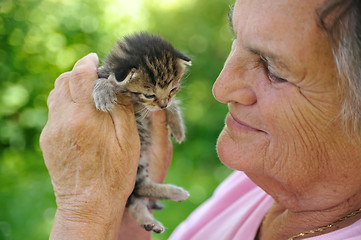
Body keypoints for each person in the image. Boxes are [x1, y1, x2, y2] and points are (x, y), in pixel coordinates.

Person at [40, 0, 361, 239]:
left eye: (273, 70)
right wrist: (119, 201)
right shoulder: (260, 182)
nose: (221, 88)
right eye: (237, 38)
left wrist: (82, 215)